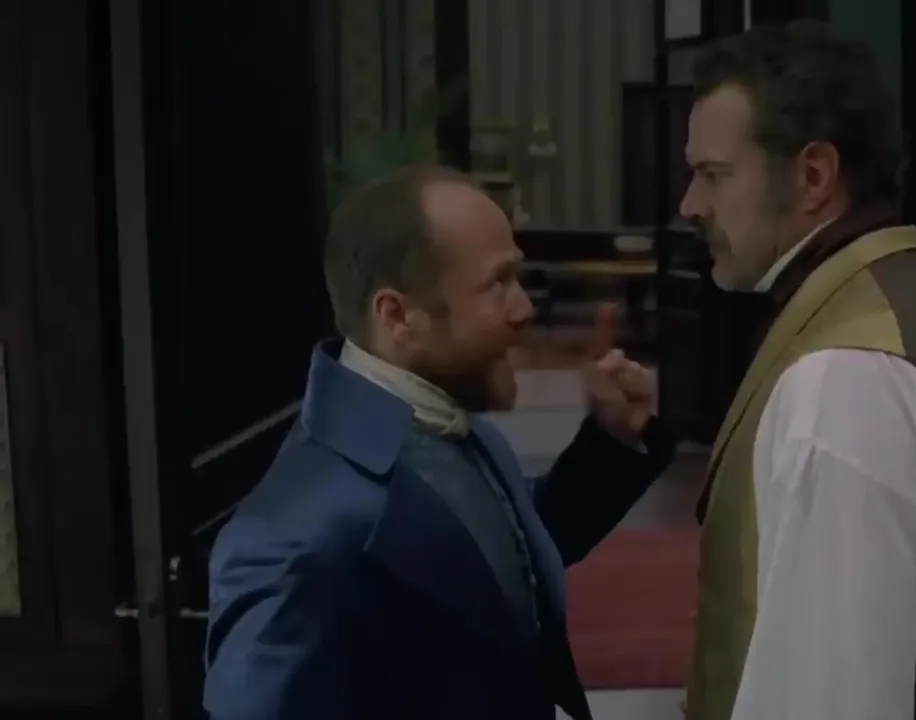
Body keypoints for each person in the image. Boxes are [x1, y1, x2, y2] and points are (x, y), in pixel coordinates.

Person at [203, 165, 675, 720]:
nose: (524, 308)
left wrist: (611, 441)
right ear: (398, 316)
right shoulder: (294, 542)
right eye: (498, 283)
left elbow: (501, 556)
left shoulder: (455, 426)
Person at [679, 21, 916, 720]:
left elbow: (832, 695)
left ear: (813, 176)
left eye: (714, 175)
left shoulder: (844, 381)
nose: (691, 205)